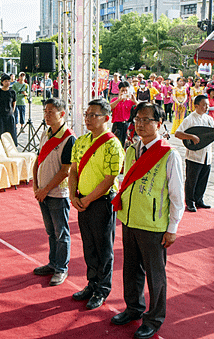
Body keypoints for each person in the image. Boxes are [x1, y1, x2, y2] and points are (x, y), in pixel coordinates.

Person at [110, 102, 184, 339]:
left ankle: (154, 319)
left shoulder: (169, 154)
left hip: (154, 225)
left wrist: (172, 228)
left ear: (159, 124)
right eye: (137, 120)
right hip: (130, 220)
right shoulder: (131, 150)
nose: (140, 124)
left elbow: (177, 195)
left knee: (155, 275)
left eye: (147, 120)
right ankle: (133, 308)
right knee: (130, 270)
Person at [68, 98, 125, 310]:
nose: (89, 119)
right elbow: (73, 170)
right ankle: (91, 284)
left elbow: (110, 179)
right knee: (88, 245)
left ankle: (103, 288)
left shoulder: (113, 145)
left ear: (107, 118)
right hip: (82, 200)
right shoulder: (81, 141)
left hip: (101, 202)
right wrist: (74, 195)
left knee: (104, 248)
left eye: (94, 115)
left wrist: (87, 199)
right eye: (87, 114)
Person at [32, 98, 76, 286]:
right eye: (45, 111)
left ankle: (61, 268)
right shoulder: (45, 134)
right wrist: (36, 186)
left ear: (62, 114)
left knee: (61, 232)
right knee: (50, 231)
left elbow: (65, 170)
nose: (47, 115)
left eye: (51, 112)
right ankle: (52, 262)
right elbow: (38, 160)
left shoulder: (68, 137)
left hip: (58, 193)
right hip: (42, 191)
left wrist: (46, 189)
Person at [175, 95, 214, 212]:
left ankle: (199, 199)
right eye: (204, 105)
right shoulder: (190, 119)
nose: (207, 107)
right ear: (196, 105)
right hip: (194, 156)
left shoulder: (209, 119)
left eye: (208, 105)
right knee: (192, 180)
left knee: (203, 179)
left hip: (207, 155)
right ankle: (190, 201)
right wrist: (190, 136)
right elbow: (178, 133)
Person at [0, 74, 17, 146]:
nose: (7, 83)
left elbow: (14, 104)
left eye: (9, 81)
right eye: (6, 81)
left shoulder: (12, 92)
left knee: (11, 136)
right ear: (2, 82)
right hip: (0, 117)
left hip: (9, 117)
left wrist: (12, 113)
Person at [110, 81, 137, 147]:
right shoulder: (114, 100)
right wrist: (118, 100)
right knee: (116, 144)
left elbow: (141, 109)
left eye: (126, 90)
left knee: (128, 145)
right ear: (119, 90)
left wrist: (135, 101)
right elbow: (109, 108)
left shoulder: (131, 101)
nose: (124, 92)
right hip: (117, 125)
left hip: (128, 125)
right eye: (122, 90)